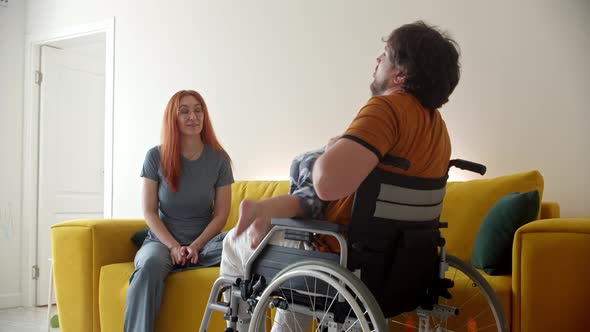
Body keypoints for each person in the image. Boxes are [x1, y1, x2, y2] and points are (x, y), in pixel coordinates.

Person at [219, 21, 460, 331]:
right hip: (400, 270)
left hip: (344, 260)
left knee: (233, 241)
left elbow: (327, 183)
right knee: (295, 264)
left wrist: (328, 152)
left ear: (402, 75)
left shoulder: (386, 110)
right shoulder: (438, 130)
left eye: (384, 55)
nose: (377, 60)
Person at [124, 90, 234, 332]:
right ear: (172, 118)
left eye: (198, 110)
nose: (192, 116)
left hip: (206, 245)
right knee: (149, 266)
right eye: (184, 111)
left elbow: (221, 215)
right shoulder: (155, 156)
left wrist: (195, 246)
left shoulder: (219, 160)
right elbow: (150, 212)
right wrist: (174, 247)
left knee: (245, 243)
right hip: (162, 244)